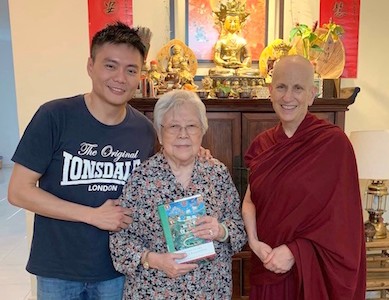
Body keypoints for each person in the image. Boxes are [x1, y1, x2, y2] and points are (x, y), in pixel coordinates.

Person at [7, 22, 157, 299]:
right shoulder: (54, 116)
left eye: (131, 70)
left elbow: (159, 184)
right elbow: (18, 191)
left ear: (140, 75)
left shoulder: (144, 131)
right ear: (91, 66)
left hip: (117, 269)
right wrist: (92, 215)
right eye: (110, 66)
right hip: (58, 269)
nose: (120, 78)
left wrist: (198, 155)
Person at [241, 55, 366, 299]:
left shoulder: (334, 144)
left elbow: (343, 224)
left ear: (312, 93)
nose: (288, 97)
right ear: (270, 91)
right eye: (281, 87)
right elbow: (250, 201)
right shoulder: (262, 145)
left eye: (298, 88)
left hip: (312, 270)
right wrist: (254, 243)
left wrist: (295, 251)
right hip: (268, 264)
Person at [110, 90, 247, 299]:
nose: (183, 134)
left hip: (210, 291)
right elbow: (119, 241)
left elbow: (238, 227)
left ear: (202, 131)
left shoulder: (217, 173)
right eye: (174, 126)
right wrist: (154, 260)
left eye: (191, 126)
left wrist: (221, 231)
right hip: (154, 291)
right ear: (159, 132)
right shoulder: (141, 178)